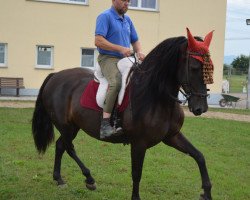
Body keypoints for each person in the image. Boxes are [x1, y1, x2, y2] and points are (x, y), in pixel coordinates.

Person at [95, 0, 145, 139]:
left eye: (129, 1)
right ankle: (105, 125)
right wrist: (120, 48)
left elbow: (135, 40)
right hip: (108, 58)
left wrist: (139, 52)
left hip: (126, 59)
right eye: (124, 0)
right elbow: (98, 41)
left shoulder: (127, 19)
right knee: (116, 82)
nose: (127, 3)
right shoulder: (105, 16)